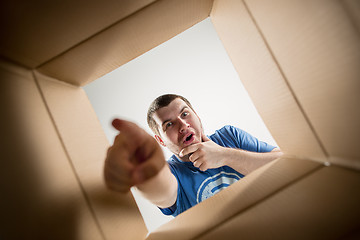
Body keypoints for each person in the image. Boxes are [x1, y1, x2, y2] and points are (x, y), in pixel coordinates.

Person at [104, 94, 283, 217]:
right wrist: (147, 166)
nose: (182, 125)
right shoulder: (172, 172)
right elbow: (161, 190)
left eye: (185, 114)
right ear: (160, 140)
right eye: (169, 125)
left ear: (196, 115)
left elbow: (287, 161)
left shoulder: (230, 136)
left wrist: (225, 155)